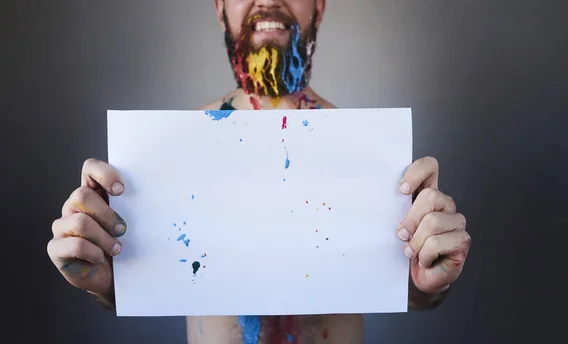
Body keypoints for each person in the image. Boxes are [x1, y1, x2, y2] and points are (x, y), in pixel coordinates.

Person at [47, 0, 472, 343]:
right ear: (220, 9)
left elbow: (411, 290)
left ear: (319, 7)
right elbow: (141, 278)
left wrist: (428, 280)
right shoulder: (169, 155)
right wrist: (100, 279)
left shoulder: (373, 157)